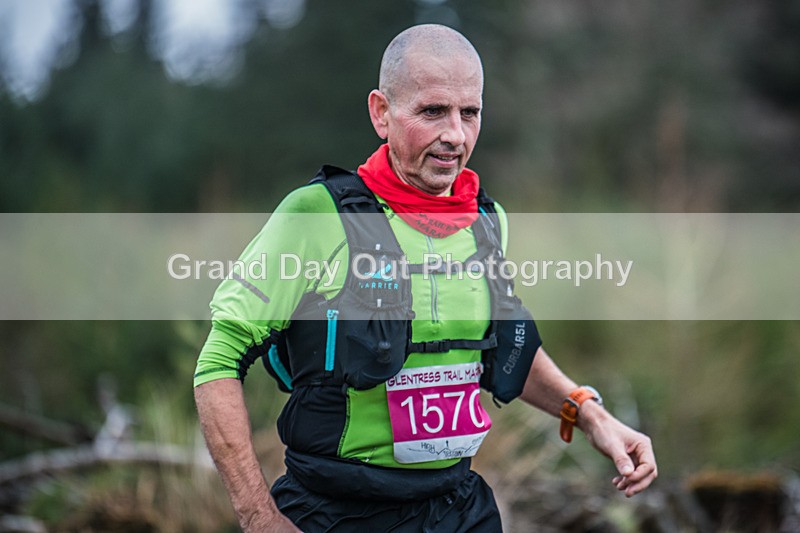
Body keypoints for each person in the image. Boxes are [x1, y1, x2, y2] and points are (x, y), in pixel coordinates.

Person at [194, 24, 657, 532]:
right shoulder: (318, 215)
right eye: (433, 111)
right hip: (335, 512)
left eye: (470, 112)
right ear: (381, 113)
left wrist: (589, 414)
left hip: (458, 507)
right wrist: (260, 519)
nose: (455, 135)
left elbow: (505, 348)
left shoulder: (487, 221)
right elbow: (218, 363)